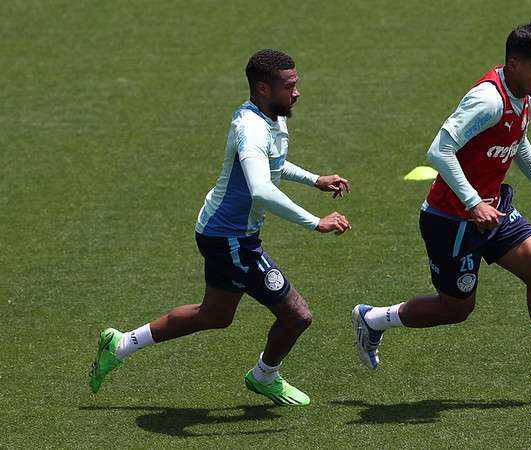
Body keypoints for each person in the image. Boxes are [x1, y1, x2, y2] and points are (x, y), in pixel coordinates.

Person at [352, 22, 531, 398]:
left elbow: (515, 141)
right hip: (451, 220)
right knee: (456, 309)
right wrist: (472, 203)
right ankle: (373, 319)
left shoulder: (526, 96)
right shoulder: (488, 100)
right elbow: (439, 150)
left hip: (494, 210)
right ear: (514, 64)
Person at [90, 49, 352, 406]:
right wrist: (314, 222)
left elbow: (273, 164)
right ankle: (264, 375)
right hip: (230, 239)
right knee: (297, 315)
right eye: (289, 86)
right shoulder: (251, 128)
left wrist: (314, 179)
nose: (297, 92)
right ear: (262, 88)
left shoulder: (273, 116)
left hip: (222, 233)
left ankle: (119, 345)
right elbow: (261, 189)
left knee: (214, 315)